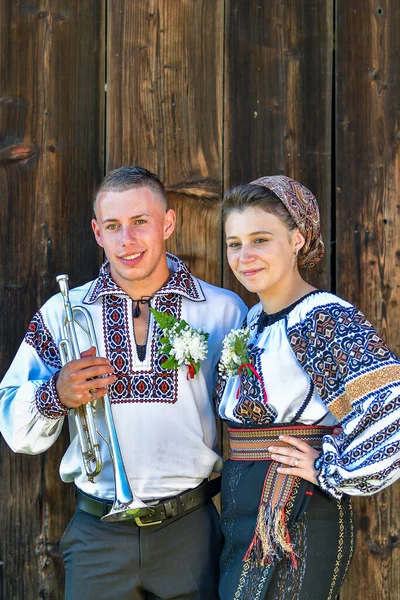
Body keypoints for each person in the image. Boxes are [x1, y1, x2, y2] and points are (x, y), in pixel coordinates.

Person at [0, 166, 247, 600]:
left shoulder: (223, 310)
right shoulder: (62, 313)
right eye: (113, 226)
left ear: (167, 223)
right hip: (98, 535)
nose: (127, 240)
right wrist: (54, 394)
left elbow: (252, 412)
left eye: (140, 222)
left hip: (190, 531)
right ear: (97, 233)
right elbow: (13, 425)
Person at [215, 175, 400, 600]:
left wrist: (330, 469)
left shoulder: (322, 318)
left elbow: (390, 402)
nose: (245, 256)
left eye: (261, 239)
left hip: (295, 509)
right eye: (234, 243)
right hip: (245, 512)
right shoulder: (251, 320)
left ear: (297, 239)